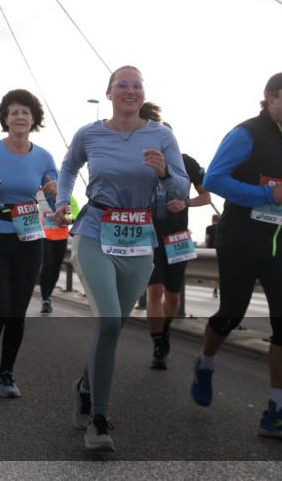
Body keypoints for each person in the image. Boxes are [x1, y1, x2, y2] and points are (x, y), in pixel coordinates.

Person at [55, 66, 188, 452]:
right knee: (109, 319)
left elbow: (181, 185)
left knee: (112, 325)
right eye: (122, 85)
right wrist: (63, 201)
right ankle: (98, 418)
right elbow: (68, 168)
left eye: (137, 85)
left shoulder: (162, 136)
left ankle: (84, 386)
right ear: (110, 93)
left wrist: (164, 174)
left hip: (138, 238)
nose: (130, 90)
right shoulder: (89, 133)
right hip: (96, 230)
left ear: (143, 93)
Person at [191, 71, 282, 442]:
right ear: (270, 98)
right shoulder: (246, 133)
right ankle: (205, 363)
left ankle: (276, 411)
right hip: (242, 238)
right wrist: (267, 195)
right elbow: (214, 179)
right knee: (231, 313)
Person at [0, 89, 58, 399]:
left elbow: (57, 192)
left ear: (34, 120)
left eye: (25, 113)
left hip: (30, 239)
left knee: (17, 313)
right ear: (5, 119)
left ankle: (7, 374)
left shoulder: (44, 156)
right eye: (14, 112)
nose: (20, 117)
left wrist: (54, 190)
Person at [137, 103, 211, 370]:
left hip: (178, 236)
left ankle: (165, 330)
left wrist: (186, 203)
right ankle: (158, 344)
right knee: (154, 289)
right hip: (148, 235)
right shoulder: (142, 163)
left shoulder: (187, 162)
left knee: (174, 295)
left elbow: (206, 197)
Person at [39, 194, 78, 313]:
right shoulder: (40, 193)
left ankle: (48, 296)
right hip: (44, 236)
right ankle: (45, 299)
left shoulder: (67, 196)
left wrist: (69, 219)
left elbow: (76, 212)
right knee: (47, 265)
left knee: (56, 267)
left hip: (61, 236)